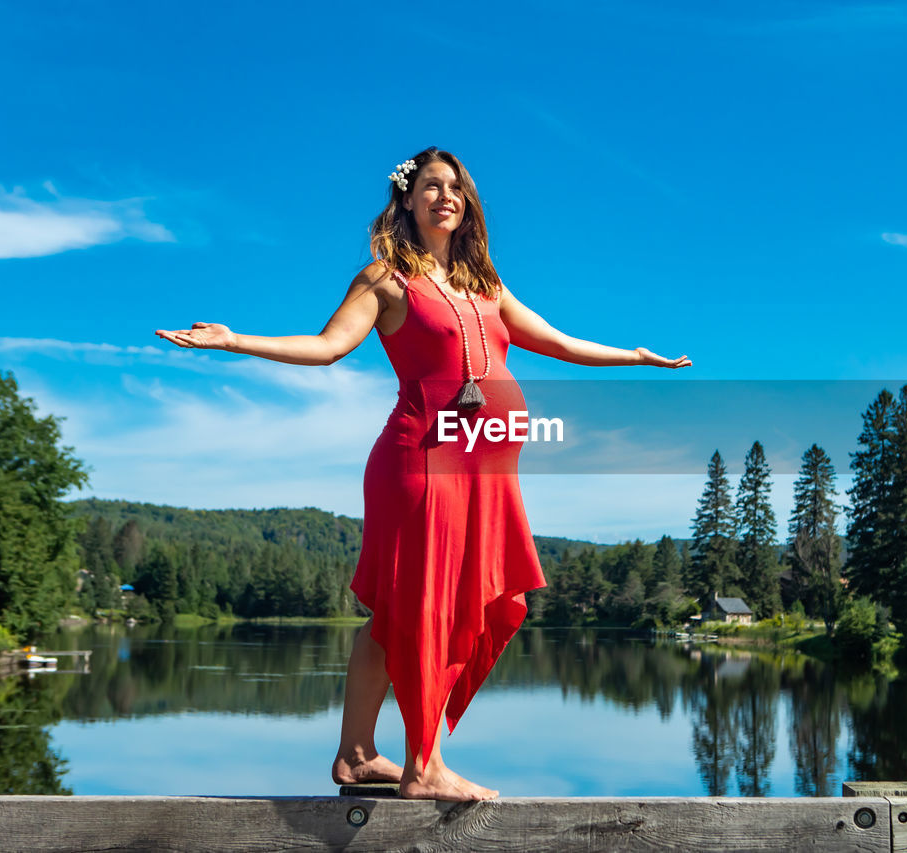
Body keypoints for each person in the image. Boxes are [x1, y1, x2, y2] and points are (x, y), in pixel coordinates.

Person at [156, 146, 691, 801]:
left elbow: (556, 339)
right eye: (432, 186)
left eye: (456, 188)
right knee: (426, 608)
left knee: (396, 614)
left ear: (468, 205)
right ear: (407, 200)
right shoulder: (386, 280)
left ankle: (355, 755)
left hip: (483, 479)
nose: (446, 196)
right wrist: (235, 339)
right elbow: (325, 348)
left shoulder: (485, 287)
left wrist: (633, 357)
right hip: (421, 463)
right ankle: (424, 766)